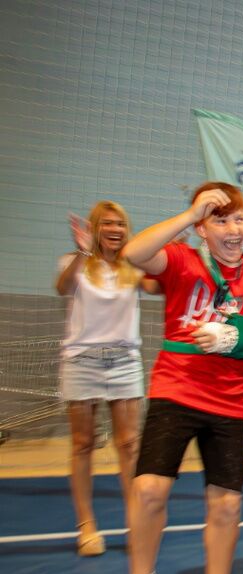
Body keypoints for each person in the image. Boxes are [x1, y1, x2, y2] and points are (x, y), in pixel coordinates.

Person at [119, 183, 243, 574]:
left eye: (239, 219)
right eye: (220, 220)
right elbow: (133, 252)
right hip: (175, 391)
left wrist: (232, 335)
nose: (233, 230)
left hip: (230, 403)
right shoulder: (182, 261)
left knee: (227, 505)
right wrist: (189, 213)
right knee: (148, 490)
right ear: (203, 230)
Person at [57, 203, 155, 556]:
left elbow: (160, 284)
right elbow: (62, 287)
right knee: (83, 443)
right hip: (82, 361)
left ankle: (136, 523)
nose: (114, 229)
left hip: (125, 361)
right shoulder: (77, 262)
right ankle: (86, 526)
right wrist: (83, 251)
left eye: (121, 224)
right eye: (107, 224)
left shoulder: (134, 267)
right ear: (95, 228)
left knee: (129, 445)